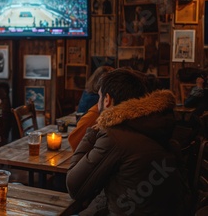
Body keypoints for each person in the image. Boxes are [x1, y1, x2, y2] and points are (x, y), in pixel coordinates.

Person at [66, 69, 183, 215]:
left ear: (107, 100)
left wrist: (93, 132)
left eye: (99, 97)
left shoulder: (115, 136)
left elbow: (74, 186)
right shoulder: (153, 125)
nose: (97, 104)